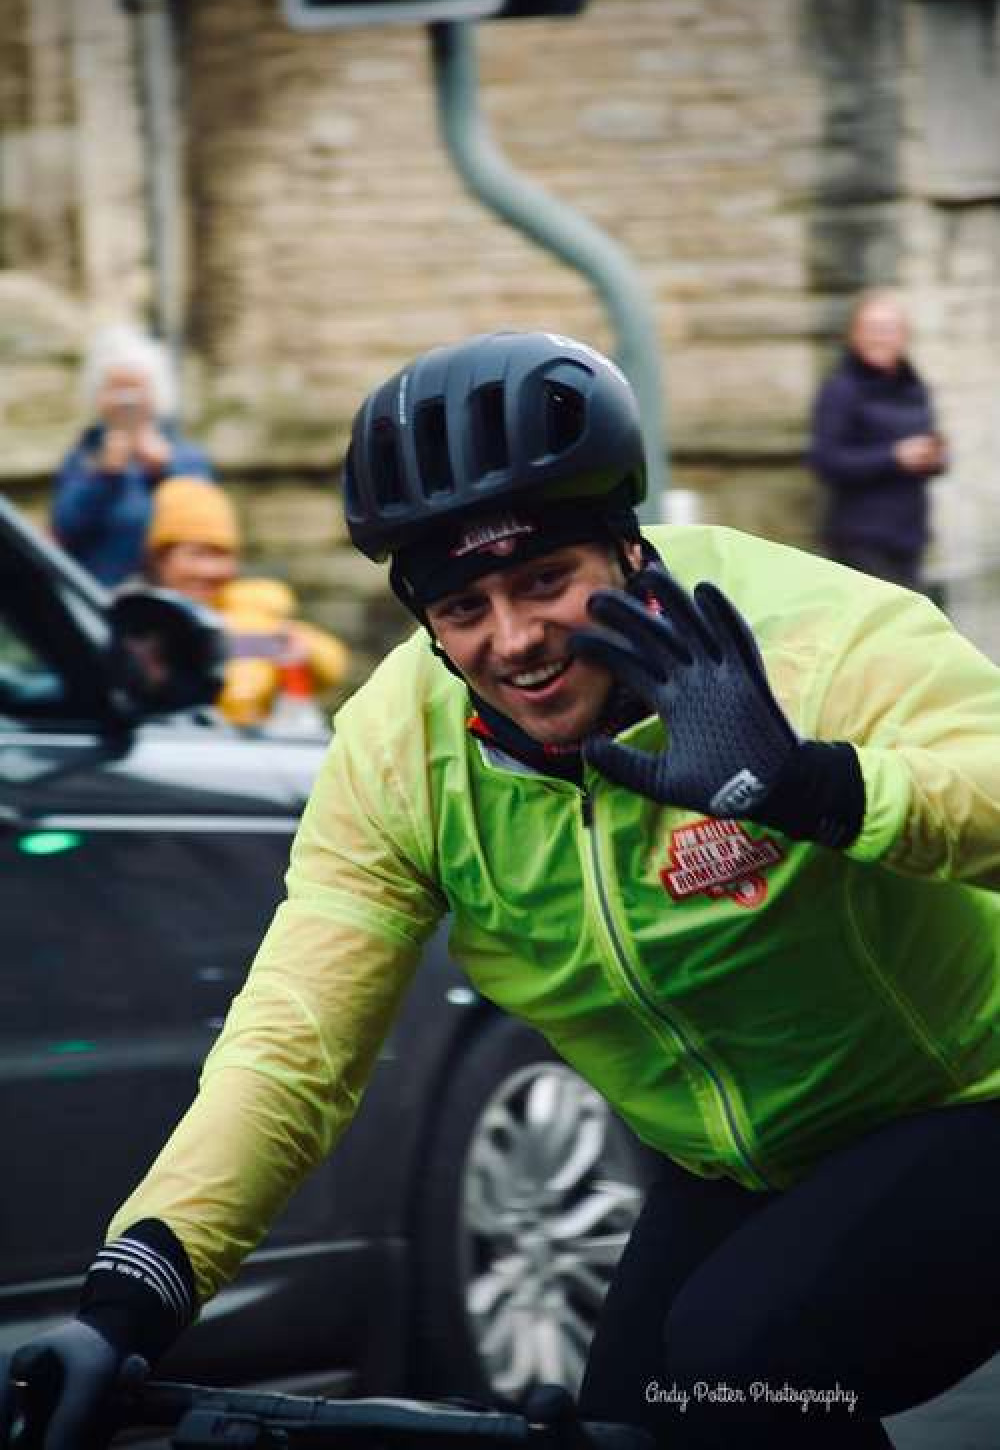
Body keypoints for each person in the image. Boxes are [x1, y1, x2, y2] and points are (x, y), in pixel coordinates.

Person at [3, 330, 999, 1450]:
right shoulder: (399, 753)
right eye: (462, 607)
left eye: (543, 581)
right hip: (741, 1160)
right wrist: (130, 1298)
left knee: (745, 1364)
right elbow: (294, 1043)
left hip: (969, 1094)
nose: (515, 641)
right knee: (638, 1420)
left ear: (624, 550)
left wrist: (827, 790)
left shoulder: (805, 636)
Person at [142, 476, 350, 728]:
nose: (210, 571)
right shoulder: (133, 614)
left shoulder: (252, 608)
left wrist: (299, 648)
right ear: (159, 559)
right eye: (196, 555)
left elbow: (331, 665)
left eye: (222, 555)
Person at [51, 323, 214, 586]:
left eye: (136, 390)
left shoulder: (184, 457)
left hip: (170, 599)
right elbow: (66, 528)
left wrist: (165, 472)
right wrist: (104, 476)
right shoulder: (83, 459)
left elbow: (208, 529)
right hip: (102, 597)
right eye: (116, 390)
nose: (127, 402)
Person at [808, 288, 948, 589]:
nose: (880, 337)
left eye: (889, 329)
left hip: (909, 534)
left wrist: (934, 457)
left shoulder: (914, 386)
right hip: (861, 539)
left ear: (904, 336)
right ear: (854, 336)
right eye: (872, 329)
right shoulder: (840, 390)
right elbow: (825, 460)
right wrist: (894, 457)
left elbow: (931, 444)